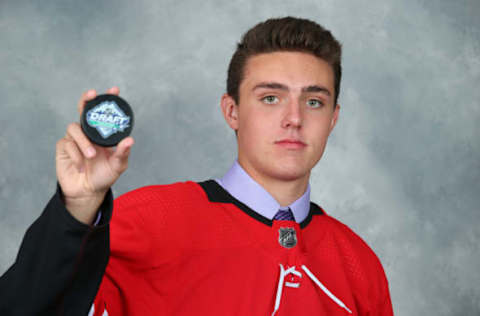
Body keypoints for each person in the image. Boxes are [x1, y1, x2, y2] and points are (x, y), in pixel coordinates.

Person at [0, 16, 394, 316]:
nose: (294, 118)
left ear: (333, 118)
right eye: (270, 98)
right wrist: (77, 212)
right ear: (232, 111)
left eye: (314, 101)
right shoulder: (145, 220)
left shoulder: (360, 264)